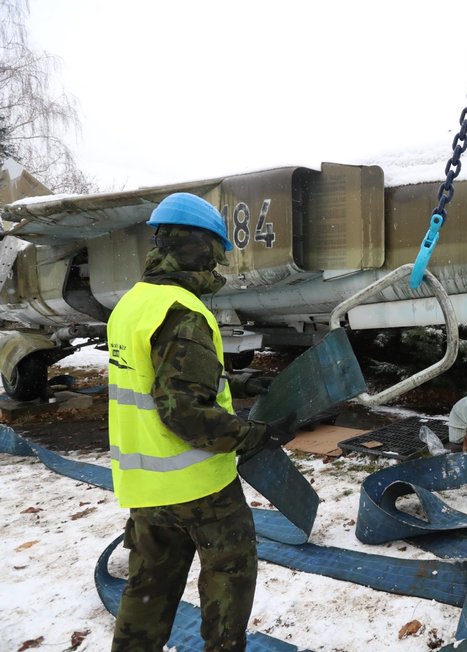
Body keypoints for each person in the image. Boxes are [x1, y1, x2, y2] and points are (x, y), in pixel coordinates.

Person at [106, 192, 298, 651]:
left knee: (147, 593)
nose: (217, 266)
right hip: (199, 488)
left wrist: (236, 388)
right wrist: (256, 435)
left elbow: (158, 386)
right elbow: (184, 412)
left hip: (144, 489)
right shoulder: (182, 312)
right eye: (215, 253)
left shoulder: (131, 305)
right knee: (229, 578)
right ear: (197, 246)